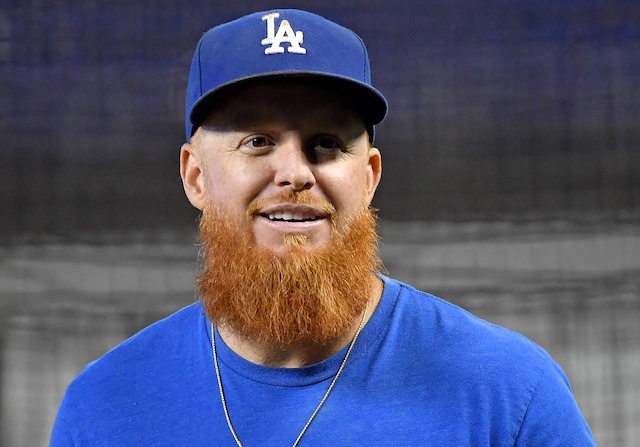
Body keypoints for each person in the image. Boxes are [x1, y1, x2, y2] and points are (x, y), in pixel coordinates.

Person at [50, 8, 596, 446]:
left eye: (327, 144)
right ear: (195, 176)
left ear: (369, 177)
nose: (294, 173)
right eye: (257, 141)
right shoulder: (104, 407)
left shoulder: (508, 393)